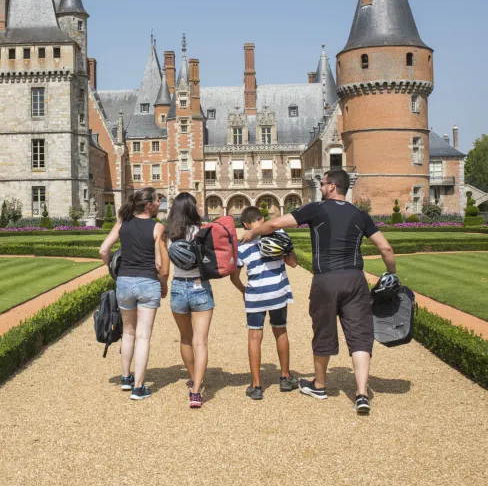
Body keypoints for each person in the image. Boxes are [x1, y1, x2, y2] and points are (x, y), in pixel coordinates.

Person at [240, 169, 396, 414]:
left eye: (322, 184)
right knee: (359, 335)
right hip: (355, 279)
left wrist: (253, 232)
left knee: (323, 330)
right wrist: (391, 274)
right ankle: (362, 394)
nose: (320, 187)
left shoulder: (316, 209)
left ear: (332, 186)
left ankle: (320, 385)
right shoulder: (360, 214)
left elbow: (273, 224)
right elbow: (386, 248)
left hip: (326, 280)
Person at [99, 187, 168, 400]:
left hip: (125, 281)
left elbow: (103, 250)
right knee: (143, 336)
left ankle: (126, 378)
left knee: (128, 332)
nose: (159, 203)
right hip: (148, 282)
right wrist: (163, 284)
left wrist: (114, 271)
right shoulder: (157, 227)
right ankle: (139, 388)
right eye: (157, 200)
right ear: (148, 205)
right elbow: (160, 264)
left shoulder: (122, 223)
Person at [230, 206, 299, 400]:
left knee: (254, 337)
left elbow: (233, 277)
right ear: (262, 219)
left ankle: (256, 385)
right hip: (278, 291)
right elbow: (292, 262)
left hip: (255, 295)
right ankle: (285, 377)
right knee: (280, 330)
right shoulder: (280, 233)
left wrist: (244, 291)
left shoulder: (242, 243)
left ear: (245, 224)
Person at [162, 192, 213, 409]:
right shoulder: (202, 231)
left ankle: (193, 378)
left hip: (178, 286)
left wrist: (162, 285)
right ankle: (196, 391)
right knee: (200, 341)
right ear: (192, 209)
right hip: (200, 286)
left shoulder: (168, 234)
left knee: (185, 338)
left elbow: (163, 267)